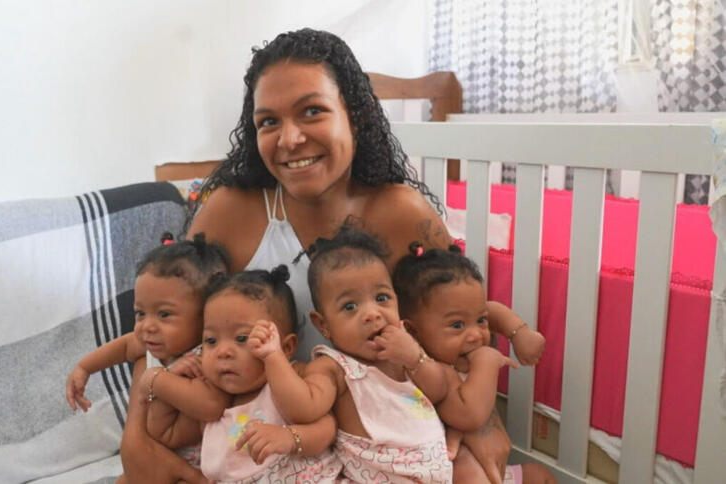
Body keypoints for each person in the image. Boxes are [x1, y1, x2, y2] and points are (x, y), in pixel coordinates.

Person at [135, 27, 530, 482]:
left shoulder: (401, 211)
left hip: (383, 432)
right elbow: (168, 327)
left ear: (355, 116)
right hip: (264, 437)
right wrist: (137, 429)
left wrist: (480, 423)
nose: (290, 139)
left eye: (312, 112)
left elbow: (459, 326)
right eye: (268, 122)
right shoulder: (229, 210)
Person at [247, 228, 517, 481]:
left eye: (382, 298)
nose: (372, 314)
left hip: (439, 469)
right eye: (350, 306)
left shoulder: (409, 350)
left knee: (476, 470)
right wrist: (274, 357)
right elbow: (304, 409)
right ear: (323, 324)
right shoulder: (335, 368)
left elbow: (440, 390)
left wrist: (415, 358)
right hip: (377, 476)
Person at [139, 266, 342, 482]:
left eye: (242, 338)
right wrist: (164, 378)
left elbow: (327, 427)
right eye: (210, 341)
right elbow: (165, 432)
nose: (223, 352)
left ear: (287, 346)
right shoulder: (211, 404)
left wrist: (290, 438)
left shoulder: (290, 377)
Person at [64, 232, 228, 482]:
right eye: (140, 313)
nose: (147, 326)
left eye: (164, 315)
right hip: (148, 457)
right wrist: (84, 368)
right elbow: (123, 347)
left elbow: (208, 408)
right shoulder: (152, 345)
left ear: (206, 313)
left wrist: (162, 380)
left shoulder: (204, 359)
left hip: (194, 466)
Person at [392, 243, 557, 484]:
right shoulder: (428, 370)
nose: (477, 335)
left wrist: (519, 333)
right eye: (457, 325)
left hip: (491, 468)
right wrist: (487, 362)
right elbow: (470, 416)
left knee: (540, 476)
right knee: (466, 467)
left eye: (480, 321)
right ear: (413, 332)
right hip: (454, 472)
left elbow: (491, 309)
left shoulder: (460, 351)